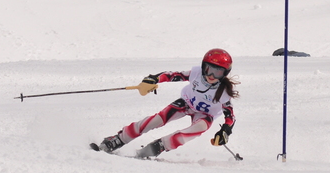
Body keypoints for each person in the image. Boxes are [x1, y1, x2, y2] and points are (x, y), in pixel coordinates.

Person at [95, 49, 239, 159]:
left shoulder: (224, 92)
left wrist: (225, 130)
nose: (211, 76)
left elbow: (230, 116)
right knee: (157, 119)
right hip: (186, 103)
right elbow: (173, 75)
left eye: (217, 72)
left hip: (205, 115)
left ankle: (157, 147)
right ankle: (118, 139)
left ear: (225, 73)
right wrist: (154, 79)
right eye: (208, 69)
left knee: (197, 129)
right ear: (203, 67)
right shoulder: (196, 74)